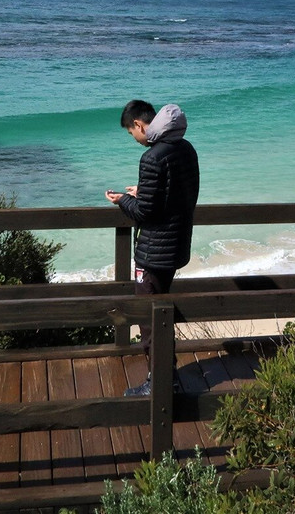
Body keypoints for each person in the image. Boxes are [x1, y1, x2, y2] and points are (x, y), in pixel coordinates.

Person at [106, 100, 200, 396]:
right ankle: (167, 377)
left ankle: (159, 383)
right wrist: (144, 191)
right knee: (161, 315)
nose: (134, 138)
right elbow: (180, 194)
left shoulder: (151, 157)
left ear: (139, 125)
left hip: (153, 253)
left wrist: (123, 200)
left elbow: (144, 212)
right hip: (176, 246)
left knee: (149, 320)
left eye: (131, 132)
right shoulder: (185, 148)